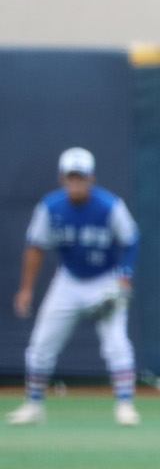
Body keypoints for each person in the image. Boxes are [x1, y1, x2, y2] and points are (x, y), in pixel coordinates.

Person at [10, 147, 142, 427]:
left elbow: (131, 238)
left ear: (92, 178)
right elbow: (35, 247)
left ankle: (125, 404)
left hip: (105, 279)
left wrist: (124, 276)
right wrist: (26, 289)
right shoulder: (51, 207)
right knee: (41, 344)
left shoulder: (110, 206)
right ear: (62, 178)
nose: (76, 182)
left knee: (117, 344)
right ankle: (34, 405)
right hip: (68, 281)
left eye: (81, 176)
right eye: (71, 177)